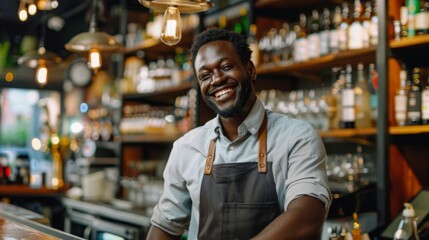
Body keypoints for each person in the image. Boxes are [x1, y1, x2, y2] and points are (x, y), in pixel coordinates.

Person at [147, 28, 332, 240]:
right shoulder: (186, 148)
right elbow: (164, 227)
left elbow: (307, 217)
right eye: (205, 76)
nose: (216, 79)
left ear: (251, 69)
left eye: (226, 67)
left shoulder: (297, 137)